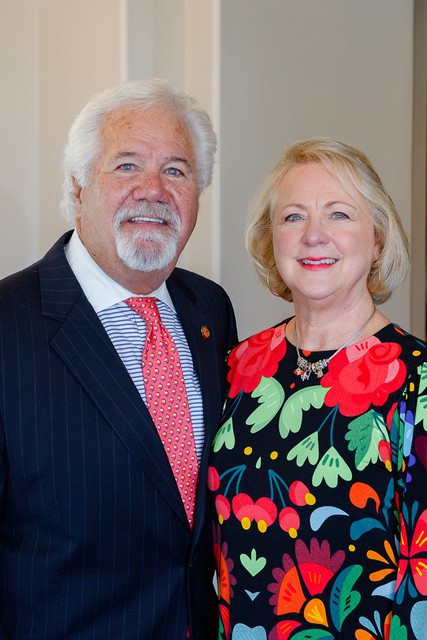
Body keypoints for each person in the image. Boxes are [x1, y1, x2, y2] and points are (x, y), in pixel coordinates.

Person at [0, 79, 237, 639]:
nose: (153, 189)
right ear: (78, 185)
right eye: (127, 165)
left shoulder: (210, 309)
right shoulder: (8, 325)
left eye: (176, 170)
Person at [208, 138, 427, 639]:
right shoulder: (239, 365)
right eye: (293, 217)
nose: (313, 236)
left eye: (339, 214)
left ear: (378, 239)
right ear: (272, 241)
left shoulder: (418, 380)